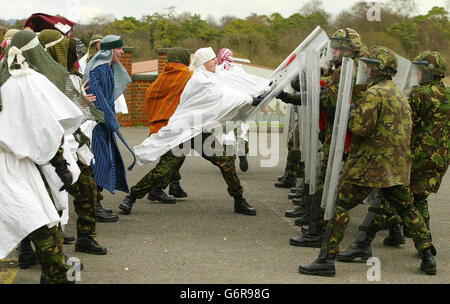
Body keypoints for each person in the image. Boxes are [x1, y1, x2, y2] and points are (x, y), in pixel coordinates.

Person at [298, 46, 436, 277]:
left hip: (370, 166)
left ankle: (326, 259)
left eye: (371, 67)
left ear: (381, 70)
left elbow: (360, 128)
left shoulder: (375, 93)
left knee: (341, 206)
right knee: (408, 210)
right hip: (397, 167)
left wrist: (351, 113)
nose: (368, 71)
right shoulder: (399, 92)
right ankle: (428, 256)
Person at [128, 47, 270, 216]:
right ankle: (131, 197)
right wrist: (250, 99)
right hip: (184, 131)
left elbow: (231, 86)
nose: (216, 61)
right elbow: (223, 97)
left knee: (226, 161)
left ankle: (239, 200)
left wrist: (255, 94)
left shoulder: (207, 77)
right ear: (203, 63)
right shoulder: (198, 80)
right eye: (212, 59)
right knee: (165, 169)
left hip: (198, 131)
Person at [337, 51, 449, 261]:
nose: (417, 73)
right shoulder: (448, 94)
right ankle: (422, 243)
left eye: (421, 70)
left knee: (388, 197)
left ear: (429, 72)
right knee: (417, 197)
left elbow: (403, 123)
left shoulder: (419, 94)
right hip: (440, 158)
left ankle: (363, 241)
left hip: (416, 155)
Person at [0, 30, 84, 283]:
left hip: (16, 162)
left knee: (40, 217)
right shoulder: (27, 81)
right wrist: (60, 164)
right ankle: (57, 273)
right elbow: (44, 129)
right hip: (15, 165)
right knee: (42, 221)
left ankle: (54, 271)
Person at [38, 29, 111, 254]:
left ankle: (86, 237)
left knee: (86, 190)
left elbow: (77, 108)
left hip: (74, 145)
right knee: (41, 199)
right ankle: (32, 250)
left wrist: (81, 104)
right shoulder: (38, 80)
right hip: (48, 149)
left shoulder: (69, 77)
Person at [120, 47, 192, 213]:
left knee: (176, 158)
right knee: (167, 163)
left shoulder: (162, 78)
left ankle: (174, 186)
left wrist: (158, 115)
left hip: (160, 127)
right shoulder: (188, 77)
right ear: (184, 59)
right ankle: (135, 195)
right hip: (176, 128)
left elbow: (149, 96)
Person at [83, 35, 136, 204]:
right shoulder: (99, 70)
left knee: (103, 164)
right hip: (97, 126)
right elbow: (99, 100)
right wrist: (111, 121)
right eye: (118, 49)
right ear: (109, 51)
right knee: (98, 165)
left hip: (103, 126)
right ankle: (94, 206)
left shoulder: (107, 68)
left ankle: (95, 204)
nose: (121, 52)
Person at [216, 47, 251, 173]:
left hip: (225, 107)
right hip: (240, 105)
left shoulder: (217, 71)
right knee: (242, 131)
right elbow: (248, 84)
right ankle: (242, 151)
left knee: (226, 132)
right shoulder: (239, 70)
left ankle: (229, 161)